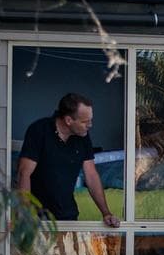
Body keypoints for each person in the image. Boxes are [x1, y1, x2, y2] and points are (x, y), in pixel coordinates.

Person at [16, 93, 120, 227]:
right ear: (68, 120)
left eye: (90, 120)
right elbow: (24, 173)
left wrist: (106, 213)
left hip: (68, 216)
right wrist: (25, 215)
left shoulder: (82, 136)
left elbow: (91, 175)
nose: (90, 125)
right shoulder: (39, 130)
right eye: (85, 121)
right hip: (37, 218)